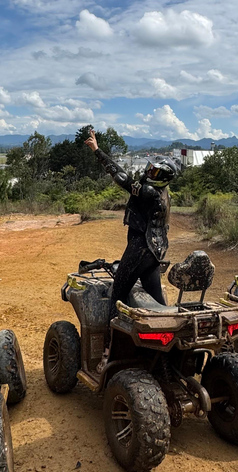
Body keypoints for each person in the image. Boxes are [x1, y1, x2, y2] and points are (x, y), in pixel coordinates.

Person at [85, 130, 179, 371]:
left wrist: (97, 151)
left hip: (140, 250)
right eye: (151, 169)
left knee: (116, 295)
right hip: (154, 253)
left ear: (164, 177)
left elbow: (121, 176)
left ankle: (107, 353)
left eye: (156, 172)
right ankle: (168, 355)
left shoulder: (149, 192)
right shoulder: (162, 196)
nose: (150, 173)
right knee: (157, 301)